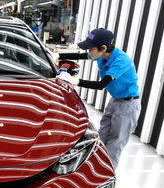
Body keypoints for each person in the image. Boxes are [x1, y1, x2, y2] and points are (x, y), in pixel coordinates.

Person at [56, 28, 141, 170]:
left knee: (115, 144)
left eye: (90, 49)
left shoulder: (121, 60)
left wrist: (74, 81)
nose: (89, 52)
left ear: (103, 48)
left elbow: (101, 85)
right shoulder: (102, 55)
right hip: (115, 101)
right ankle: (95, 170)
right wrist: (57, 55)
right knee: (101, 137)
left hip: (128, 105)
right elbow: (83, 57)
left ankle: (106, 177)